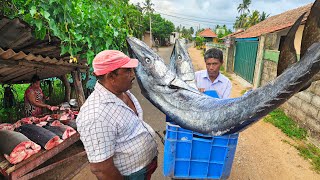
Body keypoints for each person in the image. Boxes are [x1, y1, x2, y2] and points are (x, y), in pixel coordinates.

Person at [76, 50, 158, 180]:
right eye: (127, 71)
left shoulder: (122, 92)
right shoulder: (96, 115)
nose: (133, 75)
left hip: (145, 167)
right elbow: (101, 169)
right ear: (111, 77)